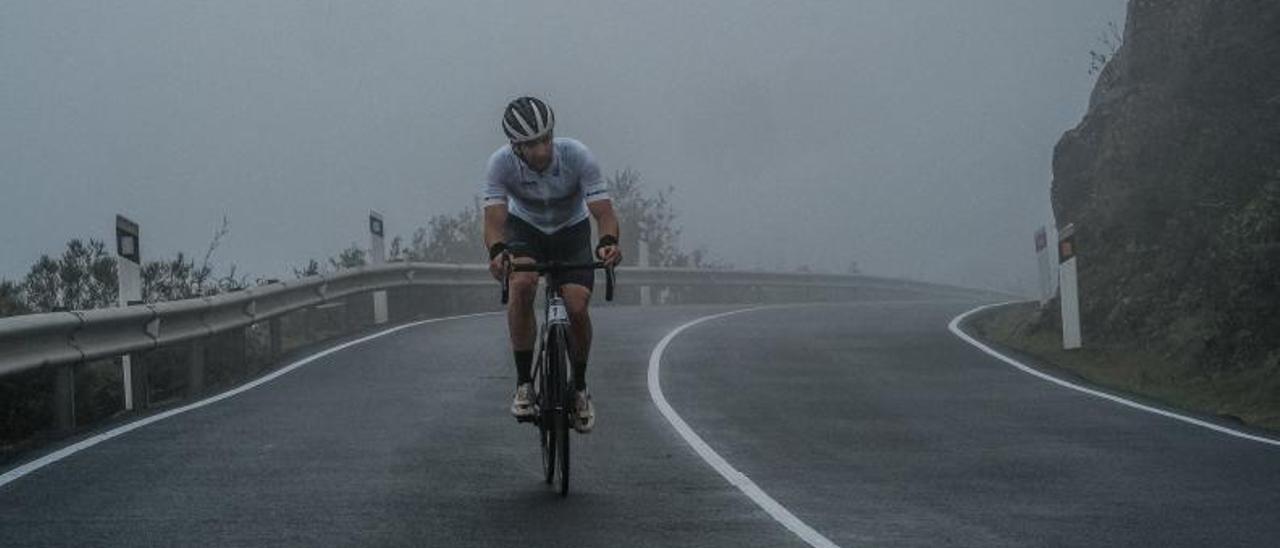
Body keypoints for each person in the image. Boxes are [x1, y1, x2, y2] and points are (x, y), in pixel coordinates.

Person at [482, 96, 621, 434]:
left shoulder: (577, 155)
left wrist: (607, 242)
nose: (541, 150)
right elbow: (494, 221)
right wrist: (498, 250)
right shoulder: (499, 164)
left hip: (571, 230)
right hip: (526, 228)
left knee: (576, 305)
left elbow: (603, 213)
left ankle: (580, 387)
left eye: (545, 139)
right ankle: (524, 383)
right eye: (531, 144)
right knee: (523, 284)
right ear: (515, 146)